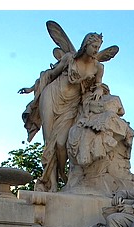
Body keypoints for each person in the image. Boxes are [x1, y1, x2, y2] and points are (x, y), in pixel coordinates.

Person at [19, 31, 106, 192]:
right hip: (52, 96)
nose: (96, 50)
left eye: (98, 47)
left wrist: (99, 88)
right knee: (49, 142)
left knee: (60, 144)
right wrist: (32, 88)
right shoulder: (69, 58)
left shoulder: (98, 67)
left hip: (71, 106)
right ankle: (50, 184)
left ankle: (63, 178)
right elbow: (51, 74)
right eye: (93, 46)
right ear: (85, 45)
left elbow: (98, 84)